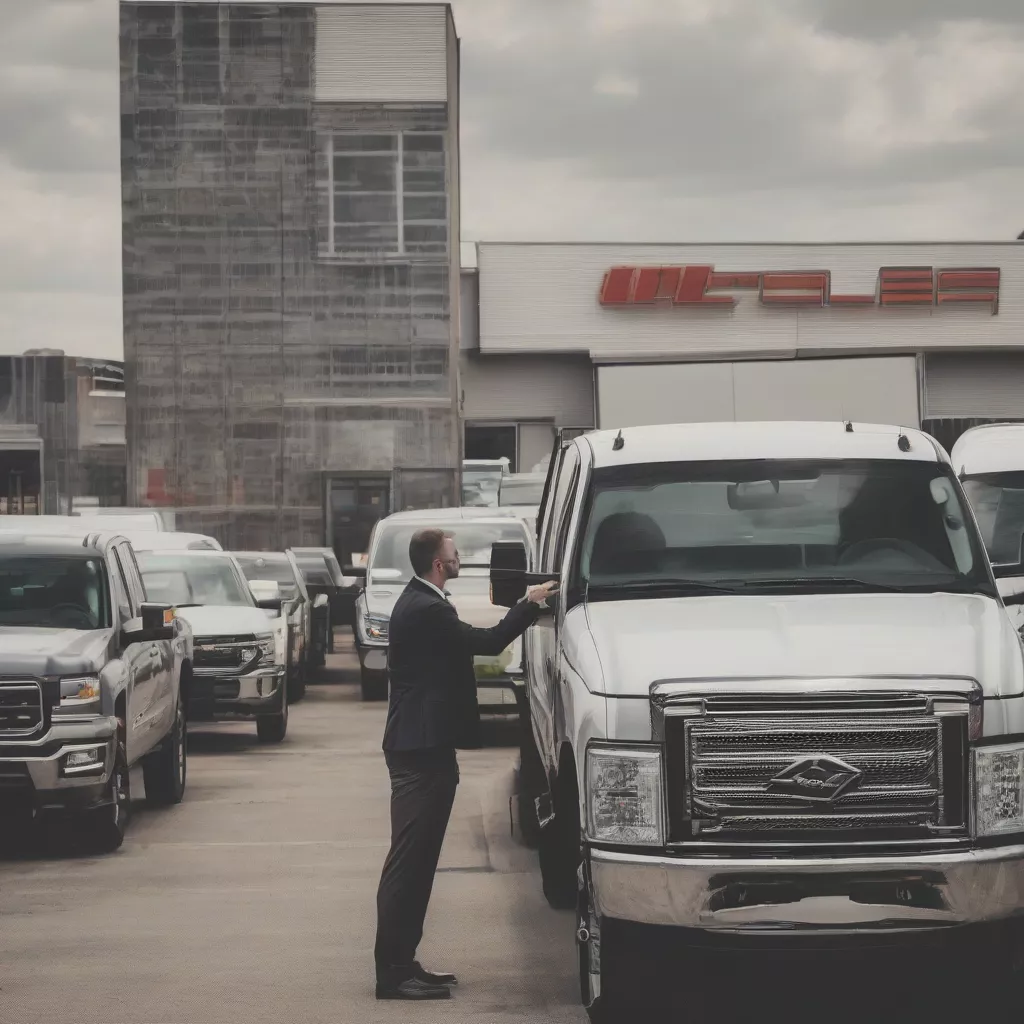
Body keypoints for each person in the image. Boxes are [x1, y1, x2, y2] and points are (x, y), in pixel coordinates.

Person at [373, 526, 557, 1000]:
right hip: (419, 749)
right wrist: (530, 602)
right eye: (454, 554)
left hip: (425, 745)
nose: (459, 559)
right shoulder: (428, 608)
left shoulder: (423, 601)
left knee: (418, 864)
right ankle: (393, 973)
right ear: (439, 563)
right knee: (409, 864)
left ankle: (403, 962)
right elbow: (490, 641)